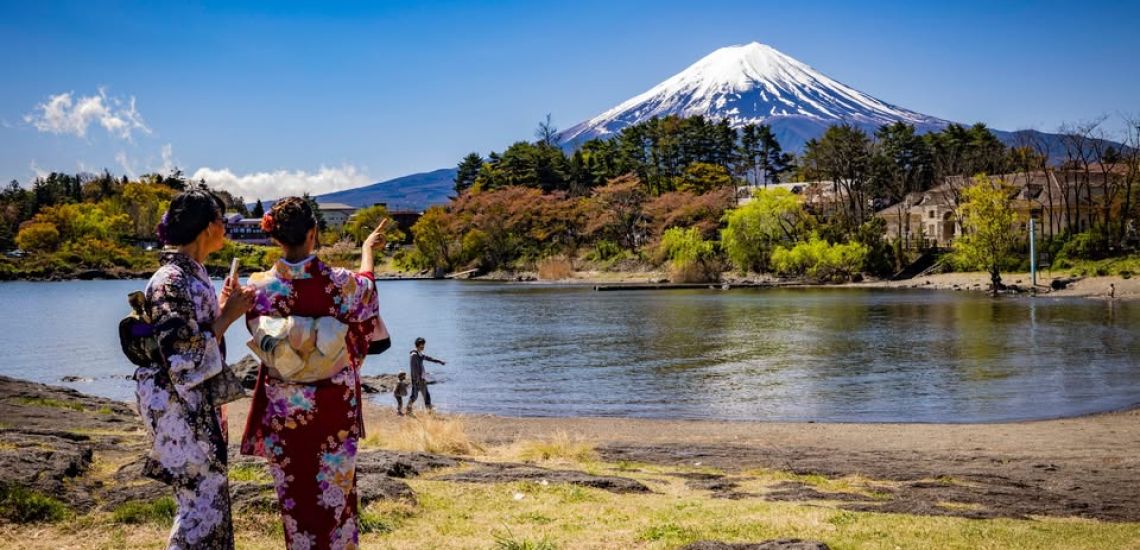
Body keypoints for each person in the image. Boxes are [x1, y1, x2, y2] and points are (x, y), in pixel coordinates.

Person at [240, 197, 386, 549]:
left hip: (285, 408)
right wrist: (368, 249)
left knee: (296, 496)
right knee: (337, 497)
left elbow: (250, 326)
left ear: (275, 237)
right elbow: (368, 293)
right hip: (333, 406)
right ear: (313, 233)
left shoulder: (258, 288)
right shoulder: (341, 284)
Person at [135, 187, 254, 549]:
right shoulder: (172, 279)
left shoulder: (192, 273)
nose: (226, 227)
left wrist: (220, 306)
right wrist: (230, 316)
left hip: (191, 402)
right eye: (222, 221)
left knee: (207, 498)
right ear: (207, 228)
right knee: (200, 503)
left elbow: (194, 330)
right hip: (178, 403)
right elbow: (181, 354)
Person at [406, 337, 445, 415]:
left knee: (426, 395)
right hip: (417, 380)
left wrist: (439, 361)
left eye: (423, 345)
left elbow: (429, 358)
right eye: (421, 346)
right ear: (417, 345)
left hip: (422, 379)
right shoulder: (414, 355)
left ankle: (429, 411)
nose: (423, 347)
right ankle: (408, 408)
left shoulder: (420, 354)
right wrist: (417, 379)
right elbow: (413, 369)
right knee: (414, 396)